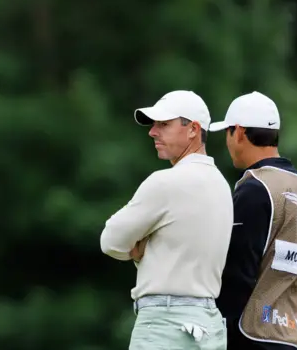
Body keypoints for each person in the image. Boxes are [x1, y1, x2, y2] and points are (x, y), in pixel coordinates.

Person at [100, 90, 233, 350]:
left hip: (164, 325)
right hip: (210, 329)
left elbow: (110, 240)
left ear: (193, 129)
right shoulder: (222, 185)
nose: (152, 131)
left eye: (164, 124)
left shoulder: (164, 182)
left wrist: (137, 249)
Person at [208, 91, 297, 350]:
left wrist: (221, 333)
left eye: (227, 132)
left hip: (249, 336)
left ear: (237, 131)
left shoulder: (256, 187)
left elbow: (238, 271)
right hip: (290, 337)